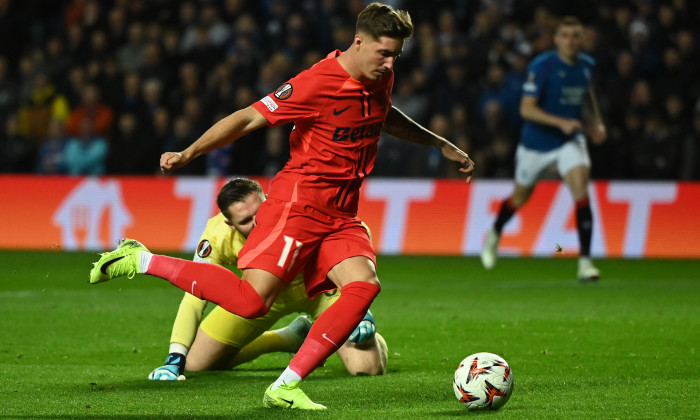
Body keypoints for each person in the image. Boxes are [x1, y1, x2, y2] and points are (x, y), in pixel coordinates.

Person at [90, 3, 473, 410]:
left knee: (364, 286)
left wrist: (438, 142)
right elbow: (247, 118)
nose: (391, 62)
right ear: (358, 42)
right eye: (384, 52)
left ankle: (286, 385)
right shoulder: (316, 82)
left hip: (341, 214)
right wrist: (189, 153)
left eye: (396, 54)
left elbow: (381, 114)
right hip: (299, 206)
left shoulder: (382, 76)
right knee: (252, 301)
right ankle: (143, 259)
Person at [148, 178, 388, 381]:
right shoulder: (217, 236)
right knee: (195, 364)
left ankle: (367, 335)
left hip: (320, 291)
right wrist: (174, 358)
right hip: (259, 297)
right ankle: (287, 338)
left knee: (366, 369)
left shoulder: (300, 208)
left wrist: (361, 311)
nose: (257, 223)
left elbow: (352, 237)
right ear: (230, 224)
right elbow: (194, 295)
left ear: (268, 199)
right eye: (245, 221)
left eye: (259, 211)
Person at [480, 16, 607, 282]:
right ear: (557, 39)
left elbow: (588, 94)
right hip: (536, 143)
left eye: (576, 35)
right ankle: (494, 234)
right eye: (565, 35)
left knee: (582, 191)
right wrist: (561, 122)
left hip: (570, 141)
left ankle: (585, 263)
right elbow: (527, 108)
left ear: (582, 39)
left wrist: (596, 122)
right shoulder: (543, 65)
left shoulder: (587, 65)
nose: (571, 40)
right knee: (520, 197)